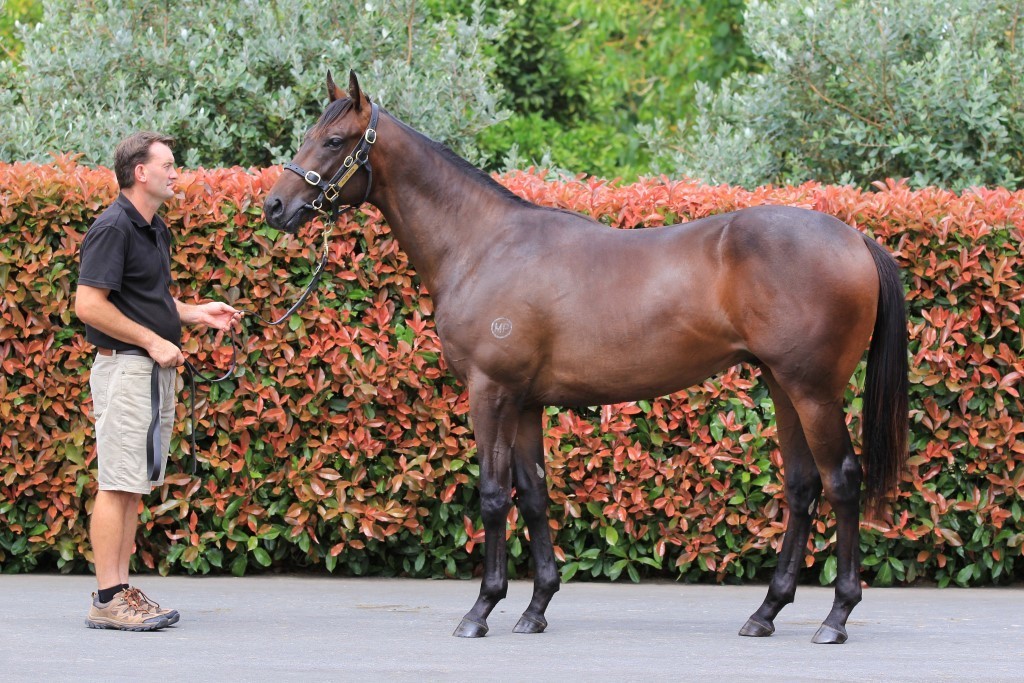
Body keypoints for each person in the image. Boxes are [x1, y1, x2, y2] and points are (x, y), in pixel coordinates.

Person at [75, 131, 240, 631]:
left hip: (148, 373)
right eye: (167, 165)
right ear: (139, 172)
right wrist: (151, 341)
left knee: (133, 486)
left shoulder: (153, 228)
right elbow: (89, 305)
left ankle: (120, 591)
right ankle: (108, 597)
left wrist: (197, 313)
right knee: (117, 483)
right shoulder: (113, 227)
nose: (175, 173)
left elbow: (151, 299)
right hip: (127, 369)